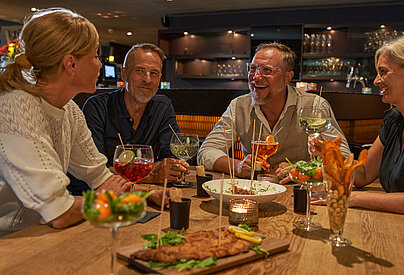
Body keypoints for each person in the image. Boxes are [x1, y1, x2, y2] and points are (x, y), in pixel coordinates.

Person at [0, 8, 167, 237]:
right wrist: (104, 198)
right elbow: (60, 212)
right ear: (71, 64)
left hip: (38, 235)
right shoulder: (15, 106)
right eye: (95, 57)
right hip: (10, 241)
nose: (100, 65)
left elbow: (100, 176)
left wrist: (145, 193)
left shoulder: (69, 110)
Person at [197, 42, 350, 179]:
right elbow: (206, 151)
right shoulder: (238, 106)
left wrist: (299, 169)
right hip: (254, 193)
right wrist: (236, 166)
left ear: (287, 77)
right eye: (253, 69)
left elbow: (344, 160)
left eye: (267, 70)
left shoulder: (314, 106)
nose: (256, 77)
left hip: (301, 193)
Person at [314, 34, 404, 215]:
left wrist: (353, 198)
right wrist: (331, 157)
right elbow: (364, 174)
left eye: (383, 72)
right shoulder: (394, 120)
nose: (376, 81)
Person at [81, 43, 189, 185]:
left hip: (149, 195)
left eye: (154, 73)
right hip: (101, 198)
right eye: (139, 71)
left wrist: (169, 166)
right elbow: (94, 169)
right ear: (124, 74)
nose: (147, 79)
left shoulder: (163, 107)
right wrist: (151, 175)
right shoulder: (97, 107)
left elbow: (170, 158)